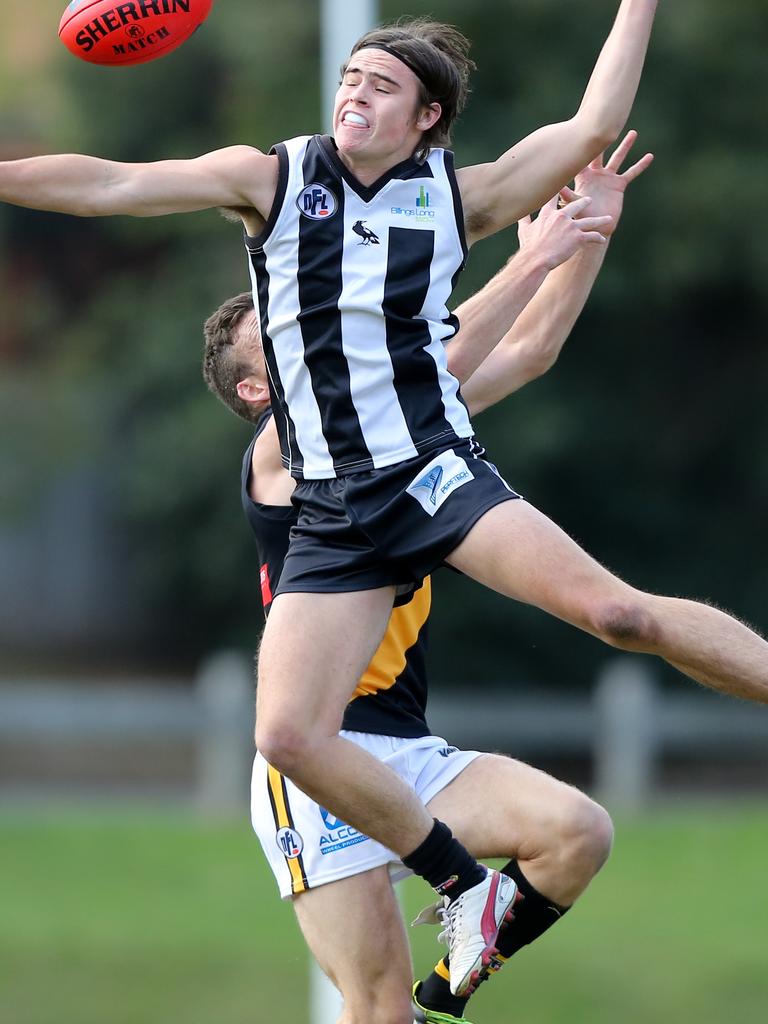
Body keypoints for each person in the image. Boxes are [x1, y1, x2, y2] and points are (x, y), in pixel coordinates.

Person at [7, 2, 768, 1003]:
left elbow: (583, 141)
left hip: (427, 473)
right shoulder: (273, 186)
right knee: (285, 735)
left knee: (617, 613)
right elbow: (108, 183)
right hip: (335, 518)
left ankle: (465, 928)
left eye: (381, 82)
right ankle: (466, 891)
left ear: (427, 120)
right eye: (348, 77)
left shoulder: (452, 201)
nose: (354, 89)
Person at [201, 138, 648, 1024]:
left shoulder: (386, 425)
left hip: (406, 746)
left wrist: (586, 234)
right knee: (375, 1014)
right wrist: (533, 254)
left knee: (576, 832)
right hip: (315, 756)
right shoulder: (280, 452)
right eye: (281, 329)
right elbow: (435, 364)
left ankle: (452, 984)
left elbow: (526, 354)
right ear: (260, 389)